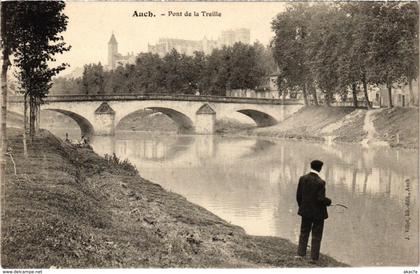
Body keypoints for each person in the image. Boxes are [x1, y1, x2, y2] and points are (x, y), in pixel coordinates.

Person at [295, 160, 332, 263]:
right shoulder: (321, 182)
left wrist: (303, 207)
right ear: (320, 168)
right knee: (316, 235)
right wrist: (328, 202)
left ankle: (300, 254)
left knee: (304, 232)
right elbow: (320, 199)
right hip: (318, 214)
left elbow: (298, 196)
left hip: (305, 211)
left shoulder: (302, 179)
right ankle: (314, 258)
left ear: (311, 166)